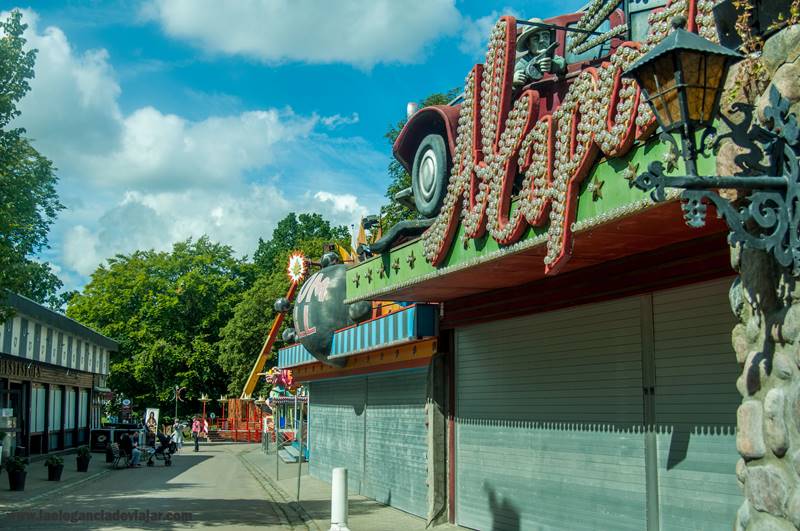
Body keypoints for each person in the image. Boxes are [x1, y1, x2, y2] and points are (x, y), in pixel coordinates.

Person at [513, 18, 566, 89]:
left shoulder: (551, 56)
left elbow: (561, 63)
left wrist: (553, 65)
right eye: (536, 38)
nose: (542, 40)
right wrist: (514, 81)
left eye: (545, 36)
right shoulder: (522, 63)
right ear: (528, 44)